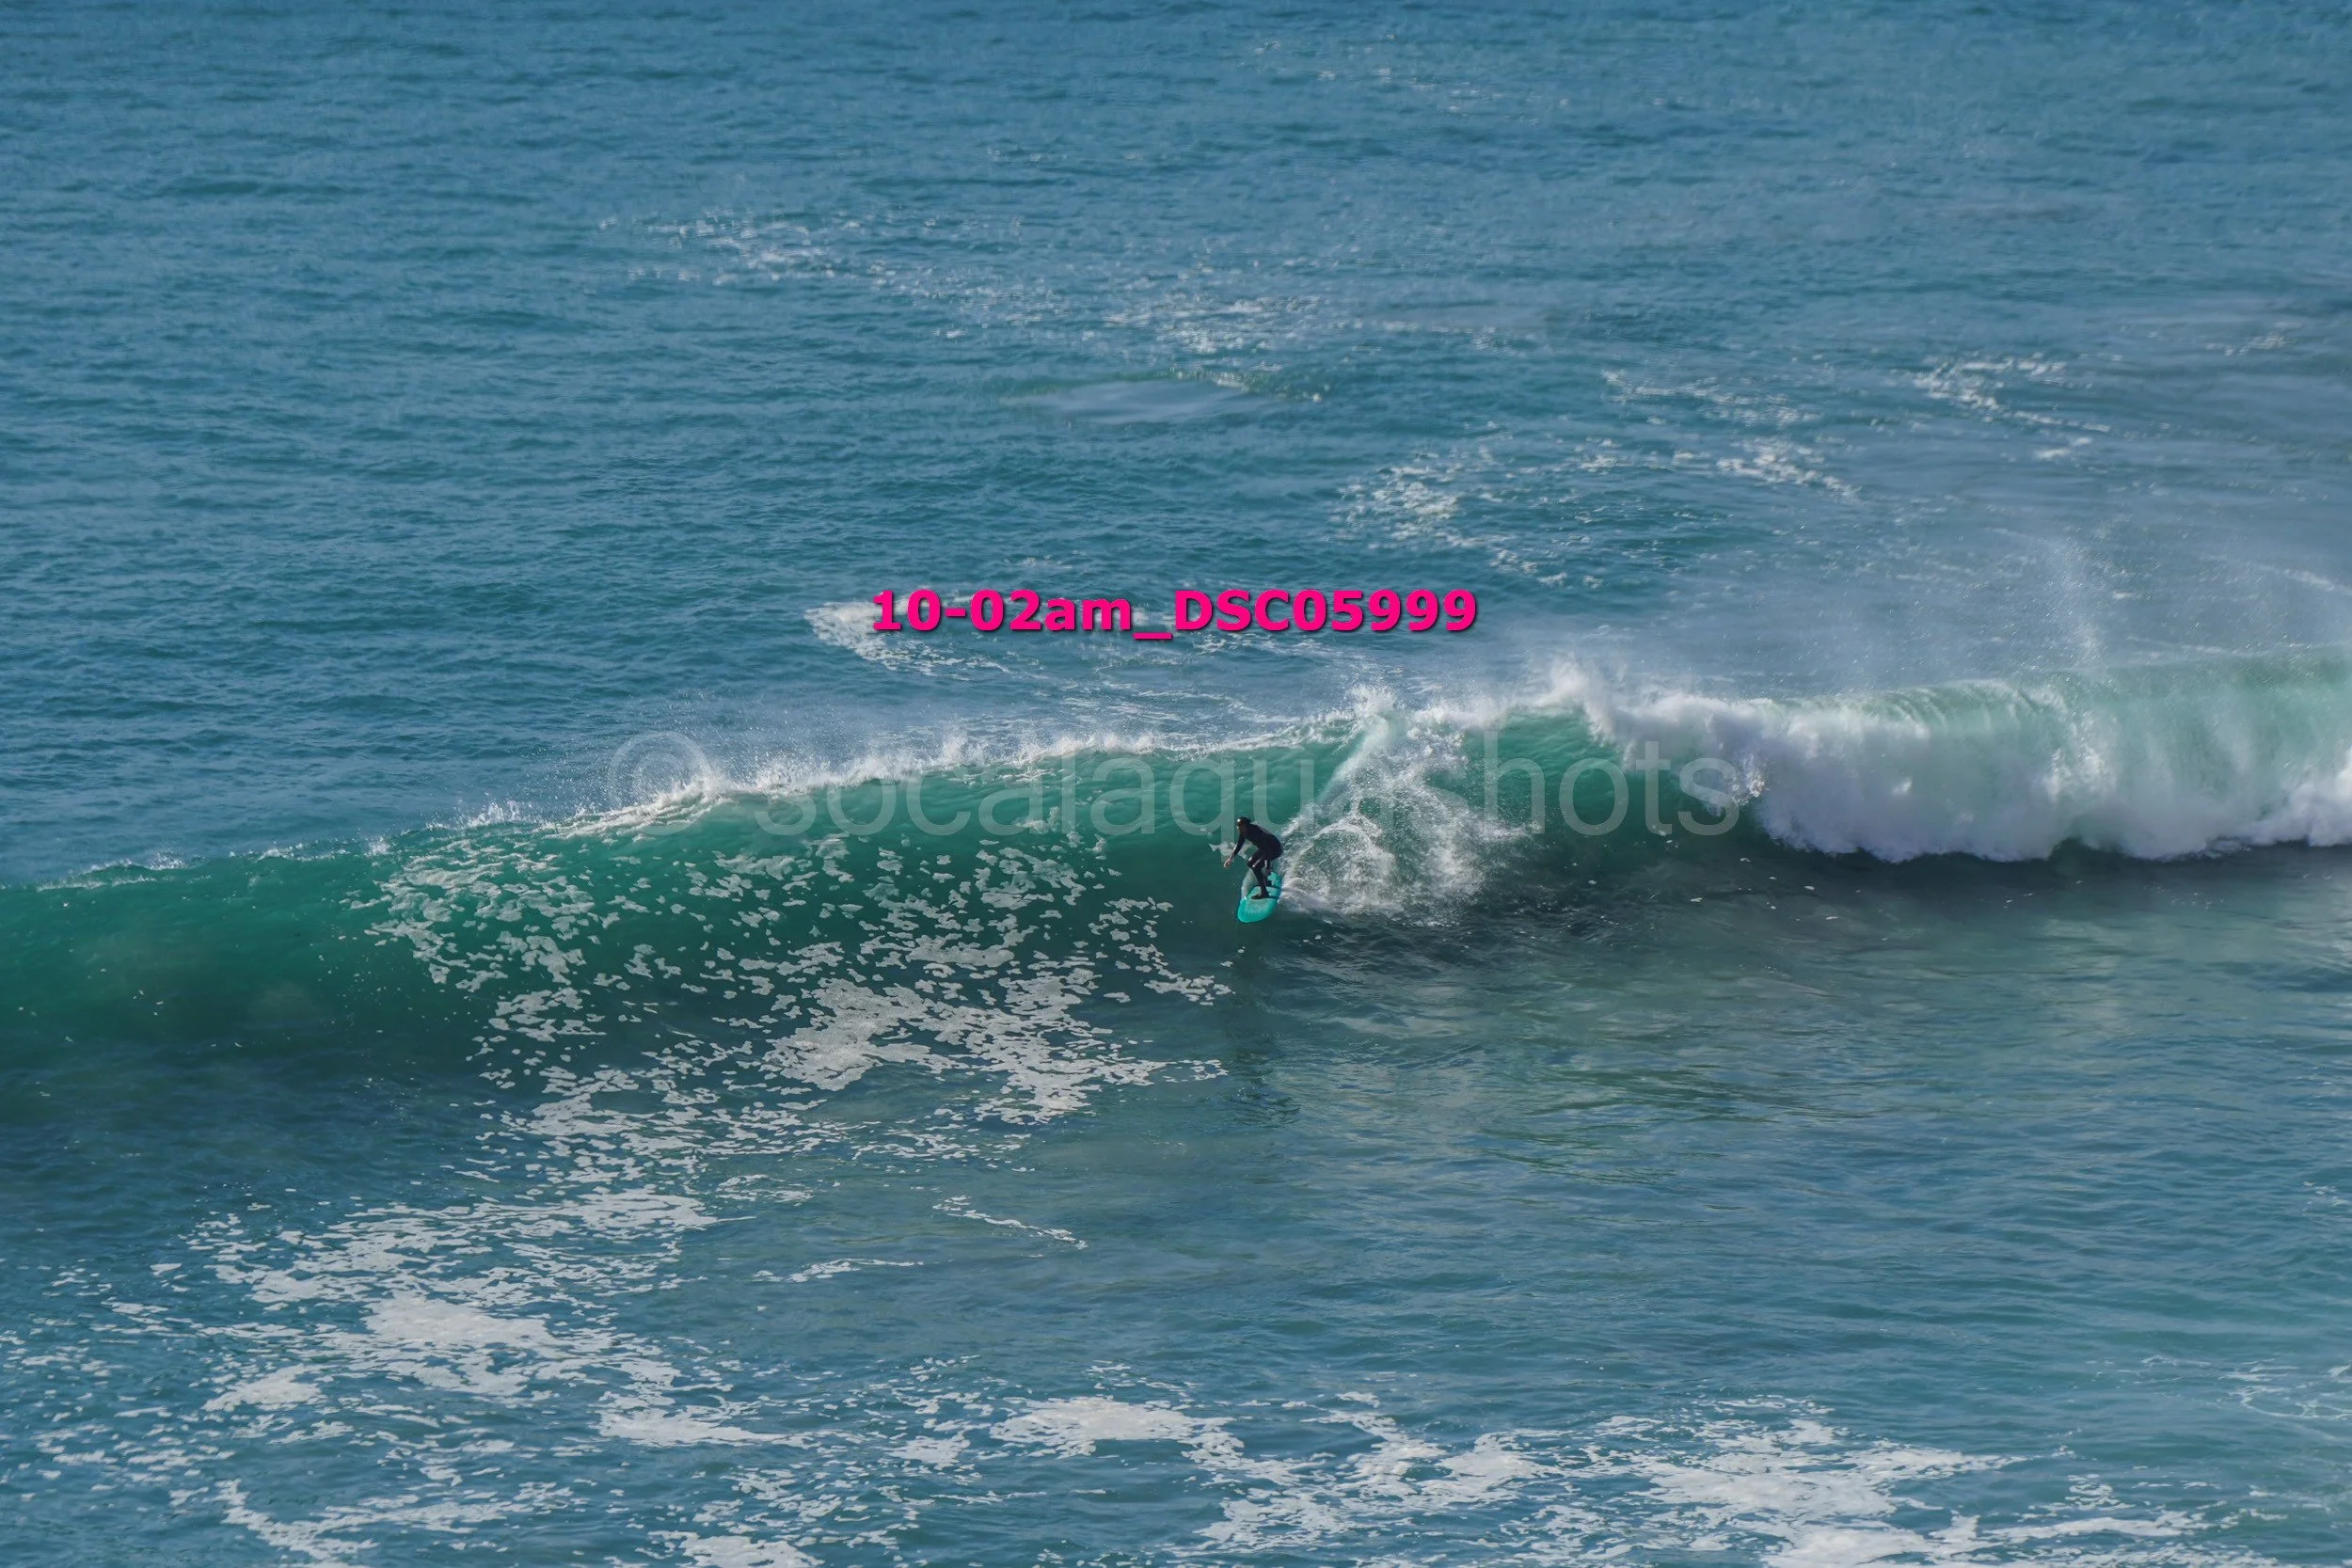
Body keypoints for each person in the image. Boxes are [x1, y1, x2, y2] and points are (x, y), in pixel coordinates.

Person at [1225, 816, 1283, 899]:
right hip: (1265, 848)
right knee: (1250, 863)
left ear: (1245, 826)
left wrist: (1268, 867)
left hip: (1275, 849)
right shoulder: (1243, 832)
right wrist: (1230, 858)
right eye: (1237, 826)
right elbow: (1239, 845)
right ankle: (1266, 881)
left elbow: (1267, 851)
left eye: (1239, 826)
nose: (1237, 828)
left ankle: (1264, 892)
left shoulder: (1256, 833)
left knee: (1256, 867)